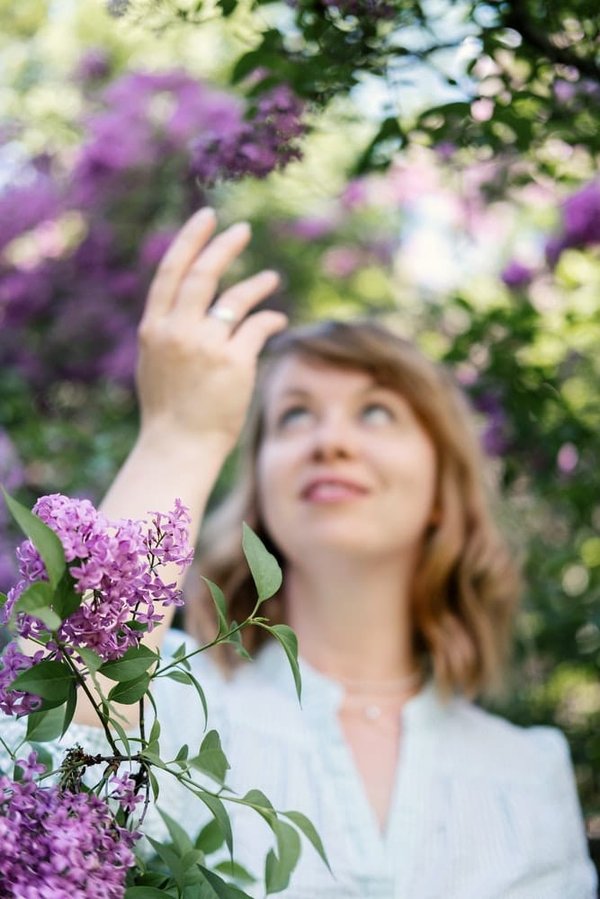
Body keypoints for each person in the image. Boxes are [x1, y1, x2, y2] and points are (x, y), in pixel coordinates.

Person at [9, 208, 600, 896]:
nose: (331, 441)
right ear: (260, 491)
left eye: (376, 411)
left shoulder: (530, 774)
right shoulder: (168, 699)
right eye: (294, 415)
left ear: (442, 488)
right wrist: (182, 434)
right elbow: (37, 777)